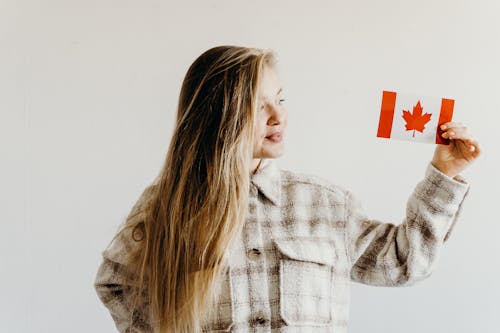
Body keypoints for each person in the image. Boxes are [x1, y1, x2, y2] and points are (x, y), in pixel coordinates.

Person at [94, 45, 481, 333]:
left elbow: (404, 262)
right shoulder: (167, 207)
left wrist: (445, 173)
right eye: (258, 105)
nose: (280, 117)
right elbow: (114, 283)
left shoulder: (324, 204)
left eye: (280, 100)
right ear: (218, 112)